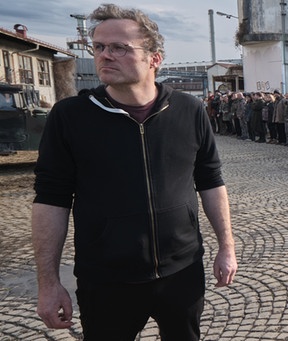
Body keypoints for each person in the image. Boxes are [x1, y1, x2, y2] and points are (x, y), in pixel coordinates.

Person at [31, 5, 237, 340]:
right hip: (107, 279)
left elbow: (211, 181)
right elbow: (51, 200)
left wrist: (226, 247)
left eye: (119, 48)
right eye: (98, 47)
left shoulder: (189, 110)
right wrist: (49, 283)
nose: (105, 56)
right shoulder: (70, 117)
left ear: (154, 59)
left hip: (183, 272)